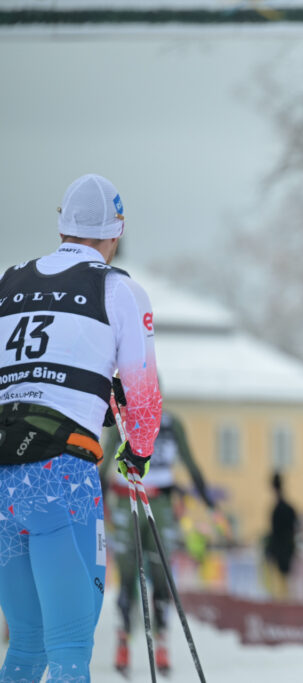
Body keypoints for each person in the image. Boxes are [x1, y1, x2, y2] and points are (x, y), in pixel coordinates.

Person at [0, 174, 160, 681]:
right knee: (70, 646)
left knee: (25, 645)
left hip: (3, 474)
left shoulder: (10, 281)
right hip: (59, 475)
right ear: (116, 233)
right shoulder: (118, 289)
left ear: (63, 226)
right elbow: (144, 399)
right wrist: (137, 452)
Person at [102, 409, 216, 674]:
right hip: (125, 498)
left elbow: (189, 461)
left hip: (161, 502)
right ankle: (123, 641)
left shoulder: (171, 422)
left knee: (161, 573)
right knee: (128, 574)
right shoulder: (121, 418)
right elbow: (107, 458)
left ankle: (162, 641)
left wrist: (208, 500)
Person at [263, 471, 298, 600]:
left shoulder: (277, 510)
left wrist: (270, 550)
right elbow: (295, 528)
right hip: (288, 549)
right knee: (286, 587)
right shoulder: (289, 508)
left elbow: (275, 533)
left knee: (281, 590)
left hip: (280, 552)